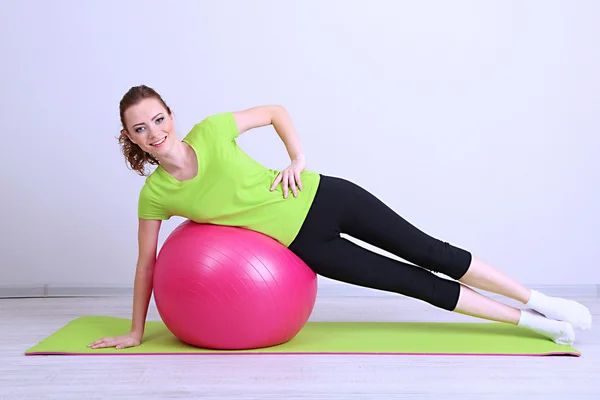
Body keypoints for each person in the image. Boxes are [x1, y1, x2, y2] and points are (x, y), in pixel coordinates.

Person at [89, 85, 591, 350]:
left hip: (329, 198)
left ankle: (542, 300)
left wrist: (298, 160)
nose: (154, 131)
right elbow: (147, 265)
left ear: (171, 116)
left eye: (159, 119)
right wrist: (136, 330)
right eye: (140, 128)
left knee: (432, 253)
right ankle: (533, 325)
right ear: (130, 139)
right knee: (414, 283)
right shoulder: (155, 196)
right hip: (308, 247)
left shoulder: (213, 130)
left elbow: (275, 111)